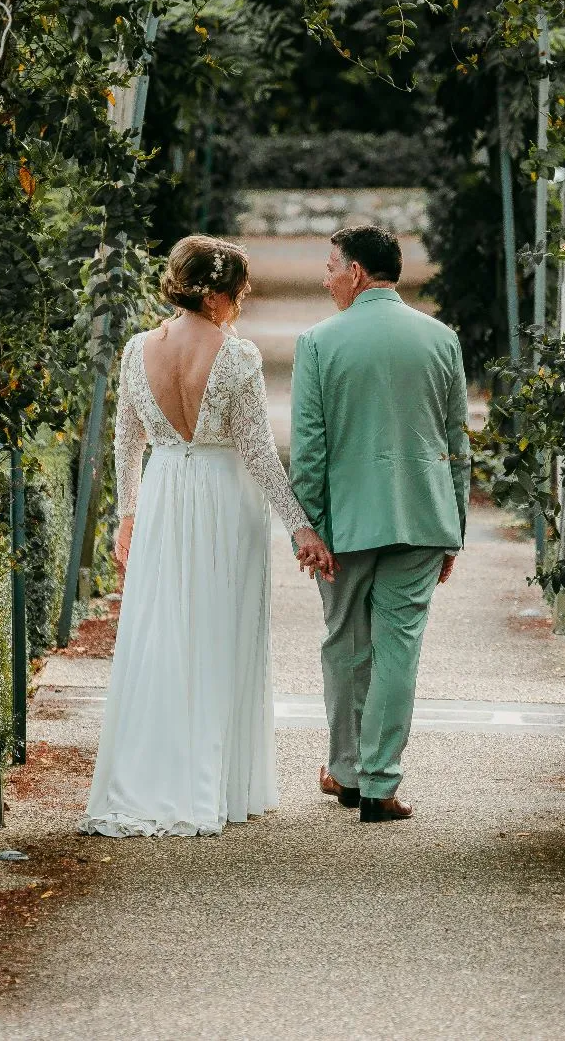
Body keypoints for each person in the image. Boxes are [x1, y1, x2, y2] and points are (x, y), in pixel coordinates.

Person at [80, 235, 334, 838]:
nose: (238, 305)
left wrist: (127, 515)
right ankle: (217, 784)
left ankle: (152, 775)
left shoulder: (138, 349)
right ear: (221, 293)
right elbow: (257, 451)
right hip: (225, 498)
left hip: (165, 489)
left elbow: (126, 443)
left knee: (161, 630)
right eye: (239, 294)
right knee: (222, 628)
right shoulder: (236, 355)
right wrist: (300, 524)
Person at [290, 225, 470, 823]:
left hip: (343, 525)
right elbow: (455, 443)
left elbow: (310, 449)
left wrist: (305, 527)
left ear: (358, 274)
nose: (326, 279)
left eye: (331, 267)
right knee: (399, 651)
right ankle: (380, 784)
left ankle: (344, 773)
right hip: (423, 518)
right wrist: (455, 529)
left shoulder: (318, 342)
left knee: (344, 643)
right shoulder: (442, 339)